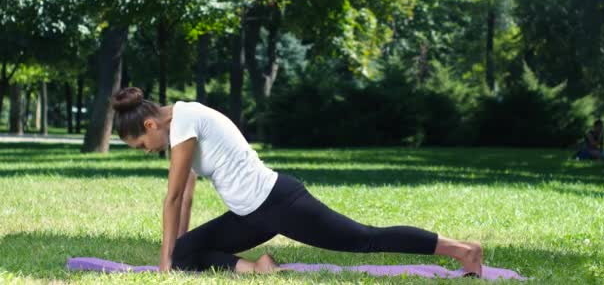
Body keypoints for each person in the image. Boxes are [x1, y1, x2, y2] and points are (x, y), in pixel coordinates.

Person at [111, 87, 483, 277]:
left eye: (142, 144)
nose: (146, 150)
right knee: (184, 254)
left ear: (150, 124)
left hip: (277, 203)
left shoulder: (187, 120)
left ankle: (463, 252)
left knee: (363, 238)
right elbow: (186, 199)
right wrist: (174, 256)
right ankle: (258, 269)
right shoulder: (181, 125)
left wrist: (163, 269)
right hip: (249, 215)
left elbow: (172, 199)